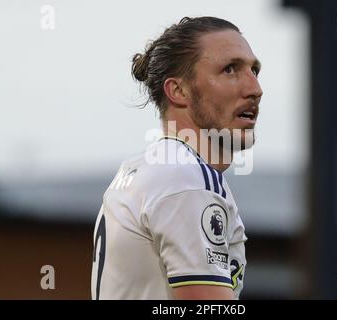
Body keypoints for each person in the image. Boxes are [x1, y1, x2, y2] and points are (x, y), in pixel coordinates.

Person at [91, 16, 263, 300]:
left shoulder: (149, 169)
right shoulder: (185, 177)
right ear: (178, 91)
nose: (254, 88)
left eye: (254, 70)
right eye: (230, 69)